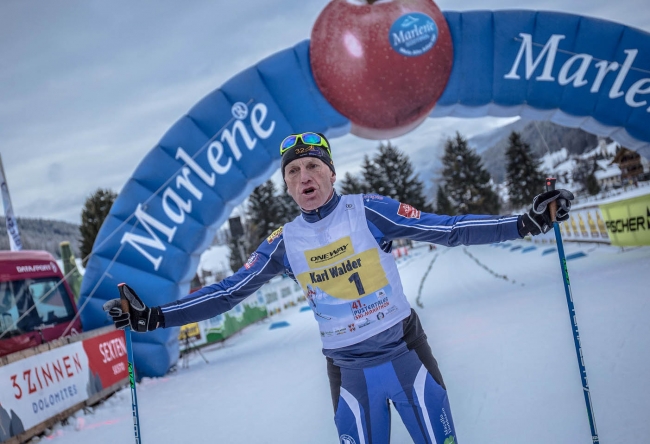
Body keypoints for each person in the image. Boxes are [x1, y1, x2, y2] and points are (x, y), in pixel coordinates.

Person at [104, 132, 573, 444]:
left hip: (406, 356)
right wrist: (155, 317)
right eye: (293, 171)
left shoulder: (369, 211)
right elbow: (228, 291)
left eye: (312, 166)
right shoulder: (282, 243)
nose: (303, 176)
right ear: (287, 185)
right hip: (350, 375)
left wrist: (525, 222)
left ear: (331, 174)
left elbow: (448, 228)